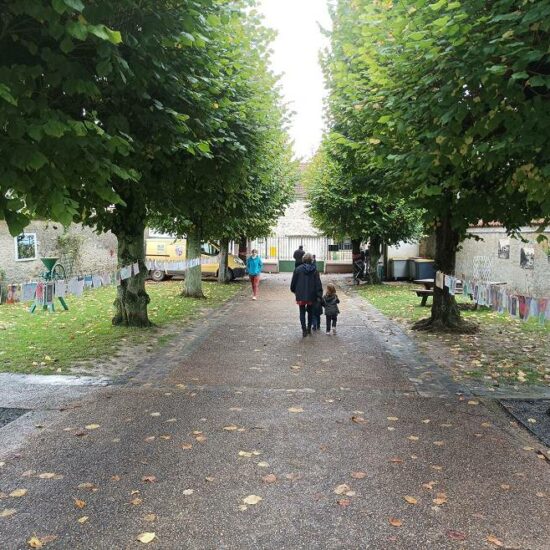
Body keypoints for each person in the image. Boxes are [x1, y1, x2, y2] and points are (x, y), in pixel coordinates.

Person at [290, 252, 323, 337]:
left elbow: (293, 283)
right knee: (310, 312)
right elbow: (318, 284)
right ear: (312, 260)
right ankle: (309, 329)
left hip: (301, 294)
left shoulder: (298, 269)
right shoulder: (315, 271)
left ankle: (304, 330)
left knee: (302, 312)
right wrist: (319, 295)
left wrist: (294, 291)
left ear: (303, 259)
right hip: (312, 295)